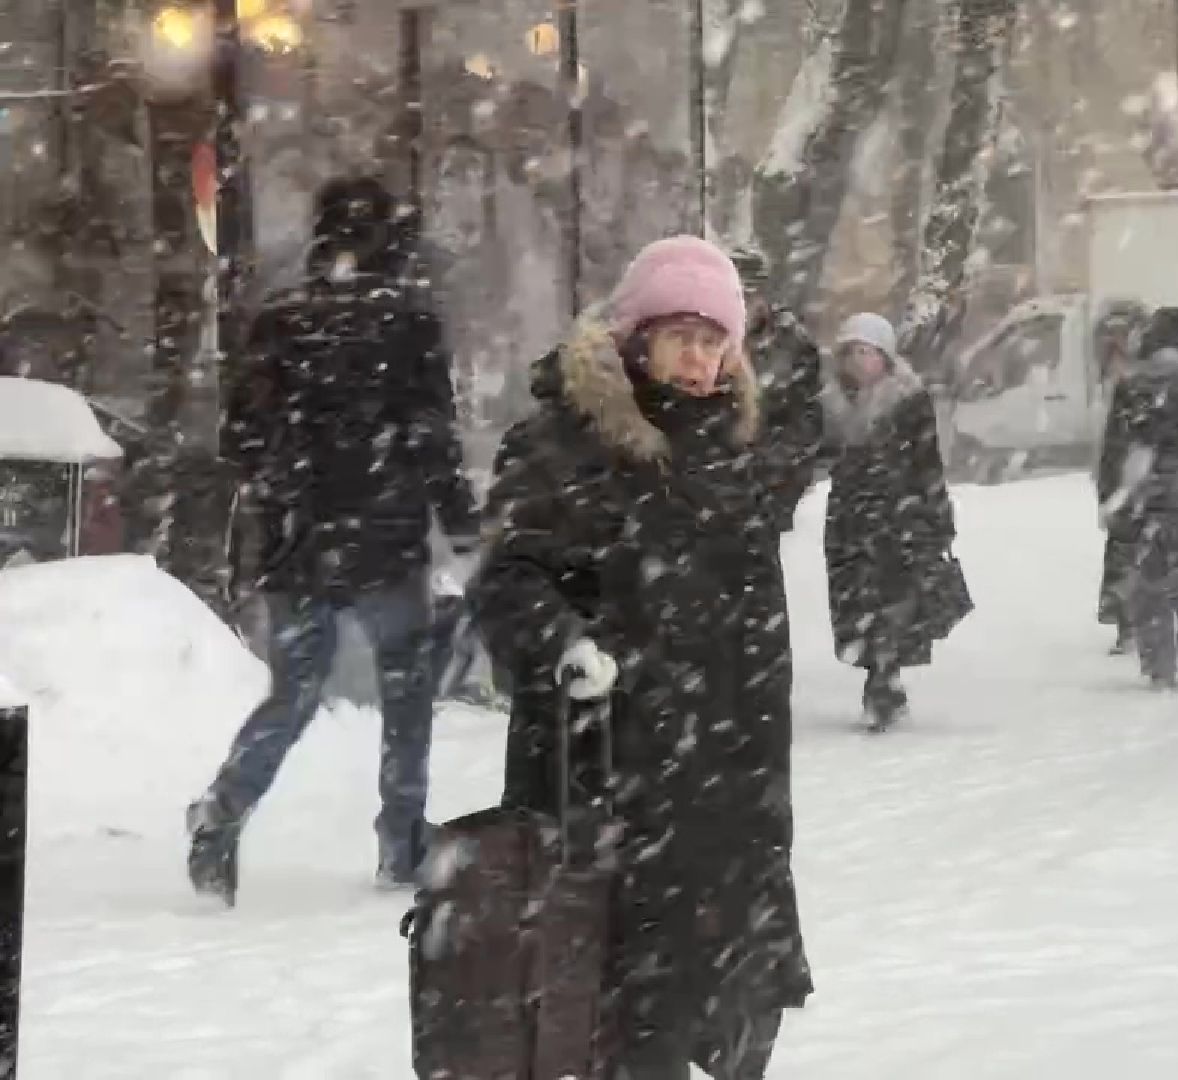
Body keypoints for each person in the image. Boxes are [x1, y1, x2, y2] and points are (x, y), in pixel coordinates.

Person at [467, 235, 811, 1078]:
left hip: (725, 799)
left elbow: (749, 635)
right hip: (604, 785)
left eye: (714, 339)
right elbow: (506, 580)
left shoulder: (736, 455)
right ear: (637, 337)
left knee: (729, 1028)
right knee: (608, 1028)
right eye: (682, 336)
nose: (699, 359)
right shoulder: (564, 447)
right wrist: (566, 646)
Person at [187, 176, 478, 903]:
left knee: (293, 693)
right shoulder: (409, 324)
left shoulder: (278, 322)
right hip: (386, 536)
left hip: (300, 543)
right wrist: (462, 521)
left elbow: (241, 438)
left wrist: (288, 491)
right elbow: (432, 436)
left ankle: (224, 809)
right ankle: (402, 840)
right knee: (407, 694)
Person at [822, 312, 970, 732]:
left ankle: (882, 682)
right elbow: (817, 454)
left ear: (885, 356)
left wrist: (938, 515)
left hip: (897, 517)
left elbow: (927, 463)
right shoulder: (830, 404)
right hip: (849, 519)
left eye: (865, 352)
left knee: (891, 604)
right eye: (850, 352)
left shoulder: (909, 399)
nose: (857, 361)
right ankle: (880, 676)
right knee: (855, 603)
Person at [1097, 307, 1178, 690]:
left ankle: (1158, 666)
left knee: (1151, 578)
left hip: (1147, 494)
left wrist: (1111, 496)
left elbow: (1115, 448)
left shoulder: (1133, 384)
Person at [732, 244, 824, 531]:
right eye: (734, 295)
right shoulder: (706, 338)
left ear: (763, 296)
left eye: (749, 294)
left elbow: (806, 420)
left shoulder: (792, 343)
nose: (743, 304)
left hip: (768, 485)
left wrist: (771, 470)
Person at [1092, 299, 1151, 655]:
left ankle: (1136, 620)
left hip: (1139, 469)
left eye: (1121, 334)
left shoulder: (1141, 378)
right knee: (1124, 544)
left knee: (1136, 545)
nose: (1115, 343)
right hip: (1120, 469)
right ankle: (1127, 620)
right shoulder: (1117, 377)